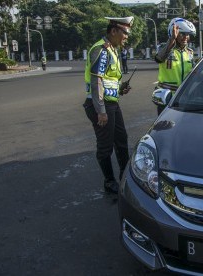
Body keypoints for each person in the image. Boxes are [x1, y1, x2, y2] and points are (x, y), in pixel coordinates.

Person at [82, 16, 133, 194]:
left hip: (112, 103)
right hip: (100, 105)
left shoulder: (112, 50)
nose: (127, 36)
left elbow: (108, 81)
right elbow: (97, 82)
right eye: (125, 32)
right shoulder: (101, 50)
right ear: (113, 31)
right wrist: (101, 111)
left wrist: (120, 89)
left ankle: (125, 177)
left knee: (121, 140)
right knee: (105, 146)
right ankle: (109, 182)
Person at [154, 17, 196, 115]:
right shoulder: (165, 48)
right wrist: (171, 40)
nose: (186, 37)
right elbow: (158, 58)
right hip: (166, 97)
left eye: (188, 34)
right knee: (165, 125)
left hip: (183, 96)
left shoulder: (190, 52)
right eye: (182, 34)